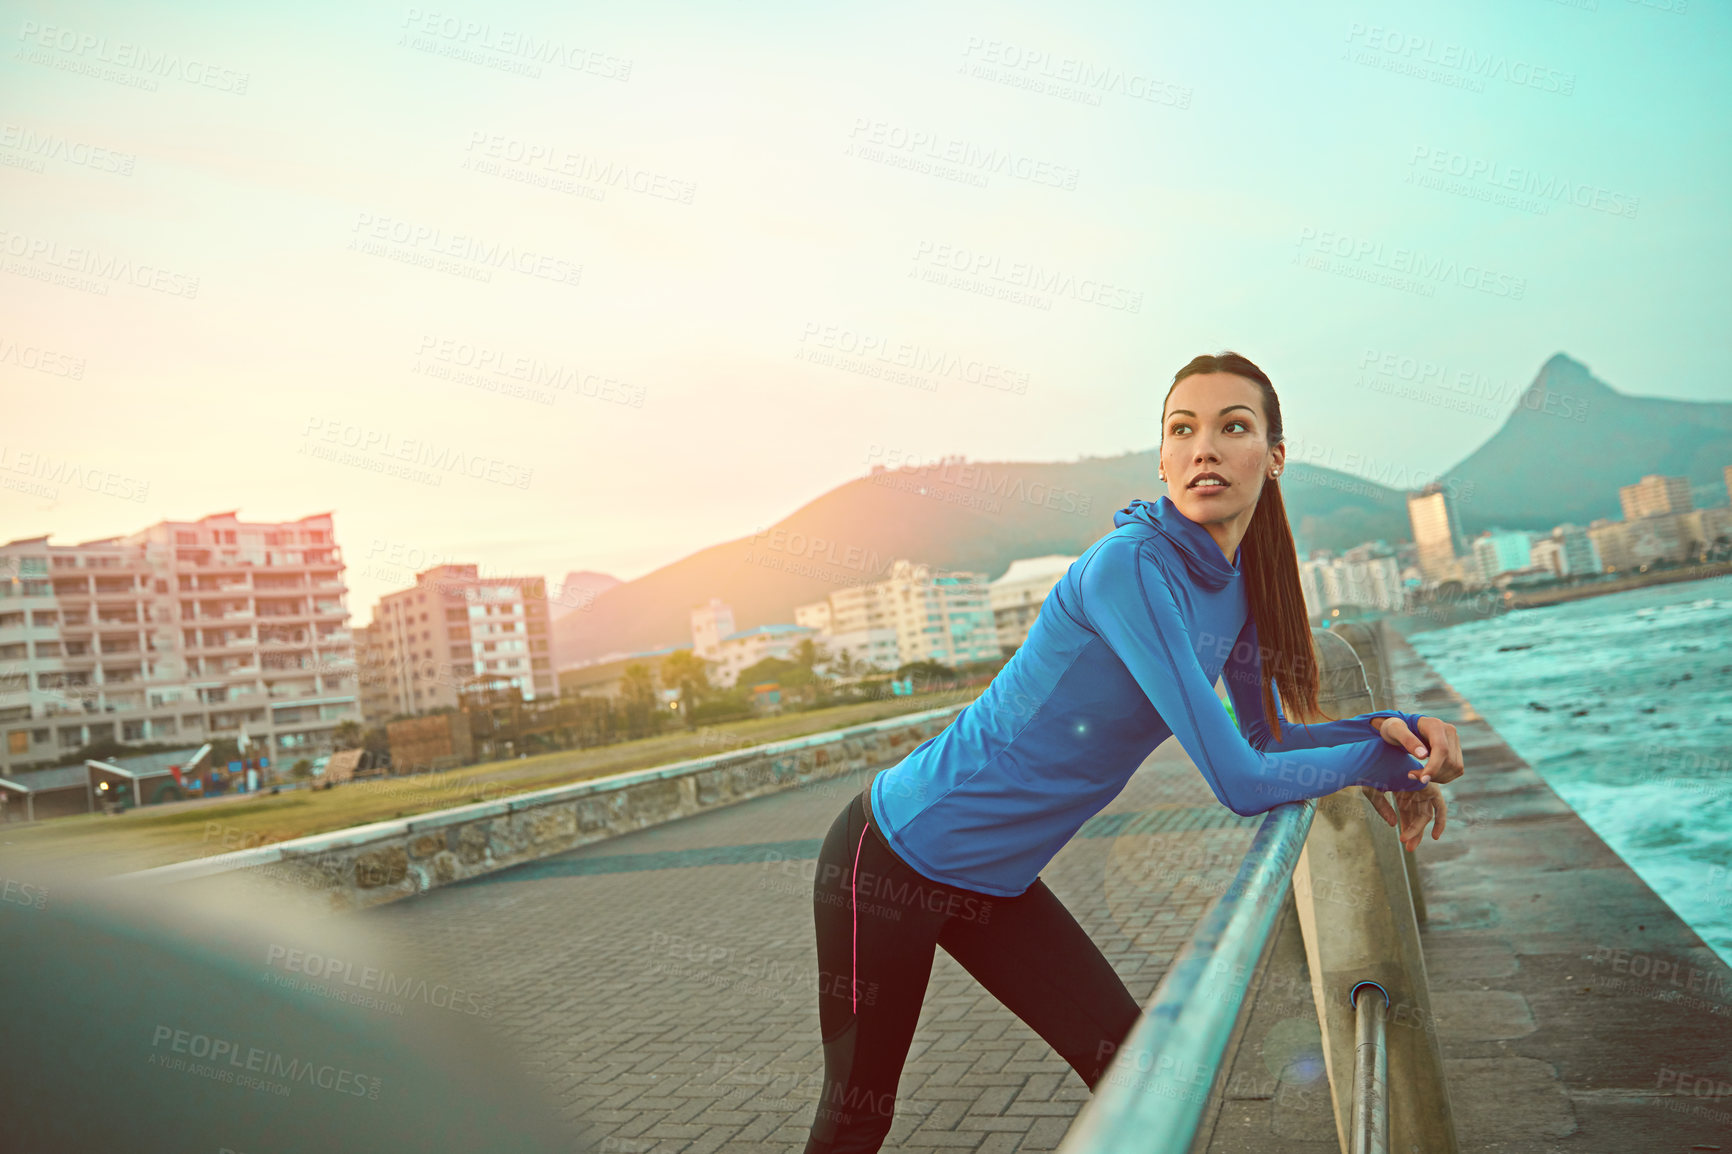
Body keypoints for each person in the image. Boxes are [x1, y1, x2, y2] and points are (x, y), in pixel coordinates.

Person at [801, 351, 1464, 1153]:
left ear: (1275, 457)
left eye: (1234, 427)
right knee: (860, 1114)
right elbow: (1242, 782)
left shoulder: (1243, 582)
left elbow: (1269, 741)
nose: (1204, 449)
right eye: (1182, 430)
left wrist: (1396, 735)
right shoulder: (1130, 567)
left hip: (992, 882)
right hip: (894, 856)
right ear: (1161, 458)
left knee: (1130, 1070)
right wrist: (1386, 765)